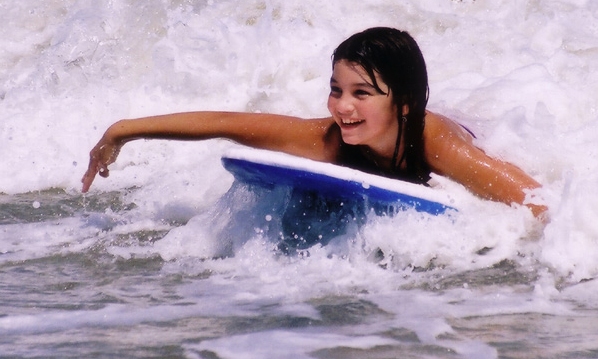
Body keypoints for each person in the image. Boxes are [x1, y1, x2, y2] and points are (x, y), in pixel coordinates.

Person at [82, 27, 546, 219]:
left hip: (471, 133)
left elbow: (535, 203)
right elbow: (226, 122)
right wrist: (123, 129)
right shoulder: (328, 138)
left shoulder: (438, 145)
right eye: (337, 90)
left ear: (403, 103)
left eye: (362, 93)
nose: (342, 107)